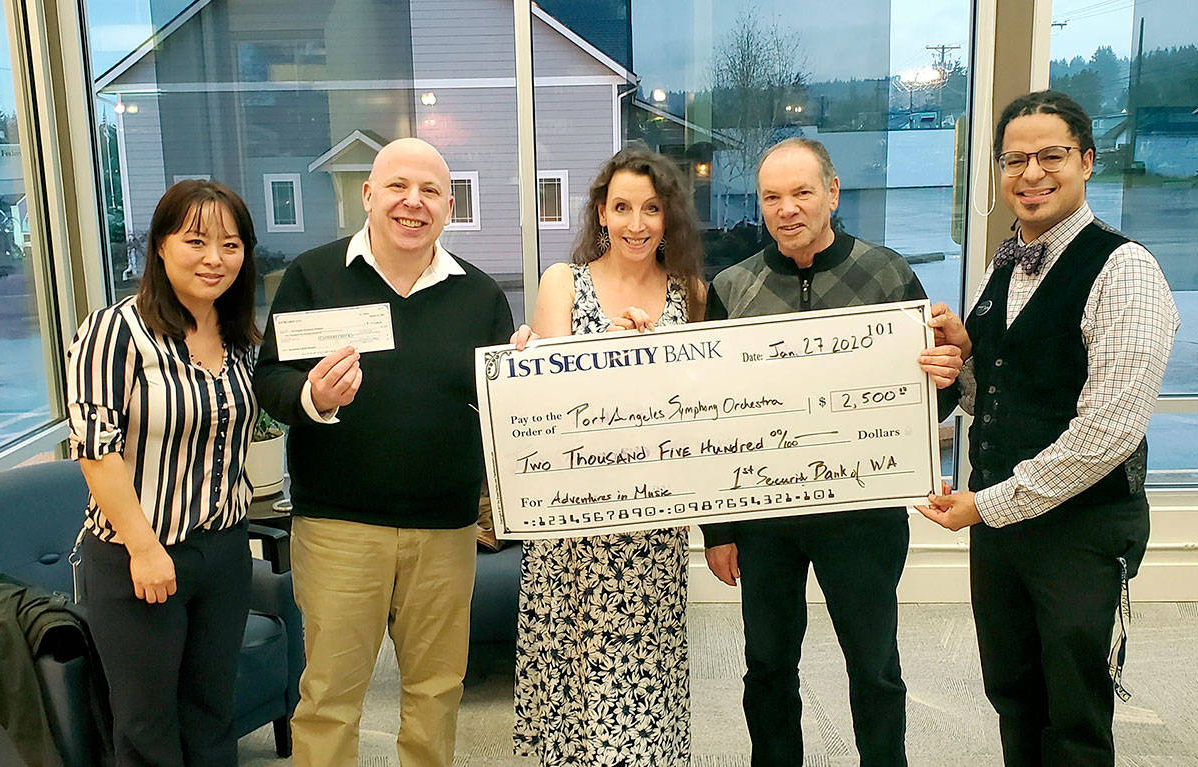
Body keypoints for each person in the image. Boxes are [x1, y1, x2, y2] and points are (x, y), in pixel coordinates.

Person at [919, 90, 1179, 766]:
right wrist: (960, 356)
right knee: (1013, 691)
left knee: (1074, 711)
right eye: (1014, 159)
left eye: (1050, 156)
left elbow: (1108, 432)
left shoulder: (1126, 270)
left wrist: (986, 504)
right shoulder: (1002, 263)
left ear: (1087, 161)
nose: (1030, 173)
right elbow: (992, 394)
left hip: (1081, 530)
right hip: (1003, 528)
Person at [701, 137, 964, 767]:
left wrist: (946, 381)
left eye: (802, 193)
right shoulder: (732, 287)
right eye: (772, 197)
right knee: (766, 663)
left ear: (833, 193)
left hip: (863, 514)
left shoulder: (888, 274)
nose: (787, 208)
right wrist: (719, 528)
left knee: (873, 665)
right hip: (766, 517)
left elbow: (929, 409)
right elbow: (711, 416)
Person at [253, 137, 513, 767]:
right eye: (398, 186)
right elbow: (270, 378)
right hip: (338, 526)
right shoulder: (313, 277)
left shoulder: (481, 297)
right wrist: (313, 393)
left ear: (449, 207)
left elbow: (503, 405)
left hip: (446, 531)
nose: (413, 203)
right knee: (329, 698)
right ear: (368, 196)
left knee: (435, 692)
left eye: (430, 191)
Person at [509, 146, 705, 766]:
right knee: (572, 703)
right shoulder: (562, 283)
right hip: (574, 529)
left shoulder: (692, 292)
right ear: (600, 212)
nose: (636, 223)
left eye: (651, 209)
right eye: (622, 207)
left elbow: (703, 407)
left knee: (645, 699)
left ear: (668, 217)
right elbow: (545, 411)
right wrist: (607, 360)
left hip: (652, 529)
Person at [66, 179, 262, 767]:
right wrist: (145, 549)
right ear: (159, 245)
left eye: (230, 245)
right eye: (196, 240)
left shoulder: (238, 336)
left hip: (224, 552)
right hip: (139, 556)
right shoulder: (114, 332)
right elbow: (96, 451)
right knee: (147, 728)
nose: (214, 259)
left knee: (211, 713)